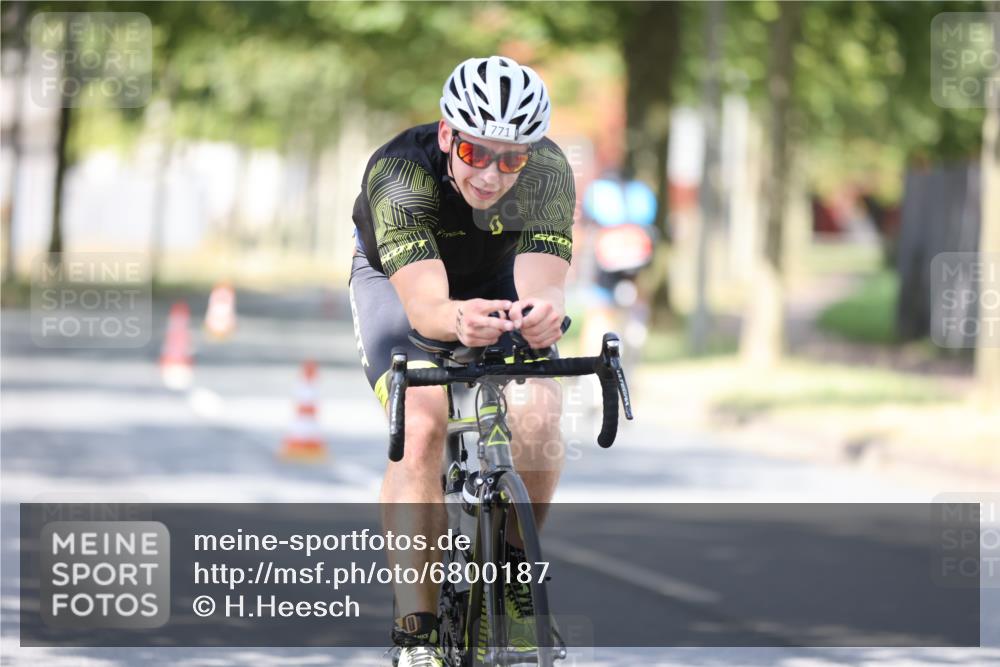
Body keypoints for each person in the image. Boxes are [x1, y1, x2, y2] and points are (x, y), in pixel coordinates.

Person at [348, 56, 575, 666]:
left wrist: (545, 312)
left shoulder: (548, 170)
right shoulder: (400, 174)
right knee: (421, 421)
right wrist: (456, 321)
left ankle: (514, 578)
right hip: (404, 282)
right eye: (477, 153)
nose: (493, 174)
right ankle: (416, 633)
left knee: (539, 406)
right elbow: (426, 308)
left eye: (512, 159)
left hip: (495, 273)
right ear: (449, 135)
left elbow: (546, 285)